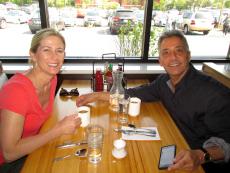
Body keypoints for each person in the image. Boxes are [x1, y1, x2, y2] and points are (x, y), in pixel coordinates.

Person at [76, 30, 230, 173]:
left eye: (179, 51)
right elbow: (132, 94)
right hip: (172, 144)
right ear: (160, 61)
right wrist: (96, 96)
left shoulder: (214, 94)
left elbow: (227, 143)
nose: (173, 57)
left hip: (198, 163)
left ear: (188, 55)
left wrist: (201, 155)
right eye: (166, 53)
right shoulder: (164, 82)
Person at [0, 28, 81, 172]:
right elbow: (9, 153)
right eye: (46, 50)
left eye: (59, 50)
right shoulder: (16, 91)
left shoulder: (52, 79)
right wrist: (58, 130)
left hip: (32, 148)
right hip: (9, 164)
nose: (54, 57)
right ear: (33, 55)